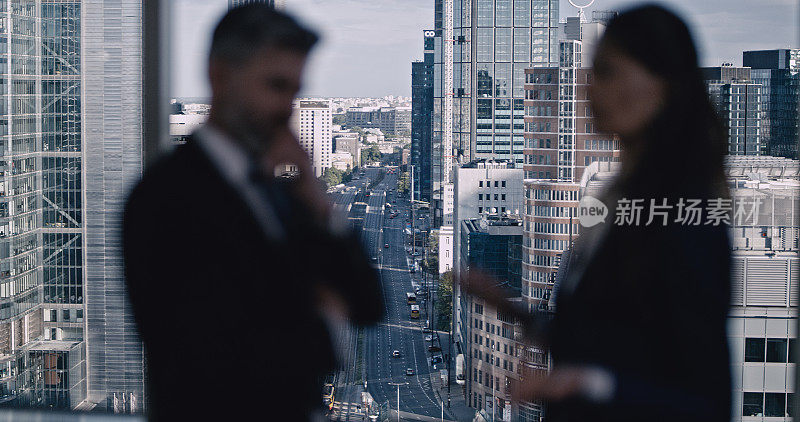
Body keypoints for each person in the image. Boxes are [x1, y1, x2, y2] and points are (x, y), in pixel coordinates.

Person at [462, 5, 731, 422]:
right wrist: (509, 308)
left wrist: (586, 384)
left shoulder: (685, 212)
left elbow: (705, 402)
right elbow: (602, 339)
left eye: (606, 72)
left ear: (661, 86)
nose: (590, 89)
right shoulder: (615, 198)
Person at [123, 5, 384, 421]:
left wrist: (316, 199)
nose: (287, 107)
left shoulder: (281, 187)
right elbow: (221, 361)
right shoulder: (164, 198)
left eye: (294, 91)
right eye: (275, 85)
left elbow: (369, 306)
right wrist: (327, 325)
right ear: (220, 75)